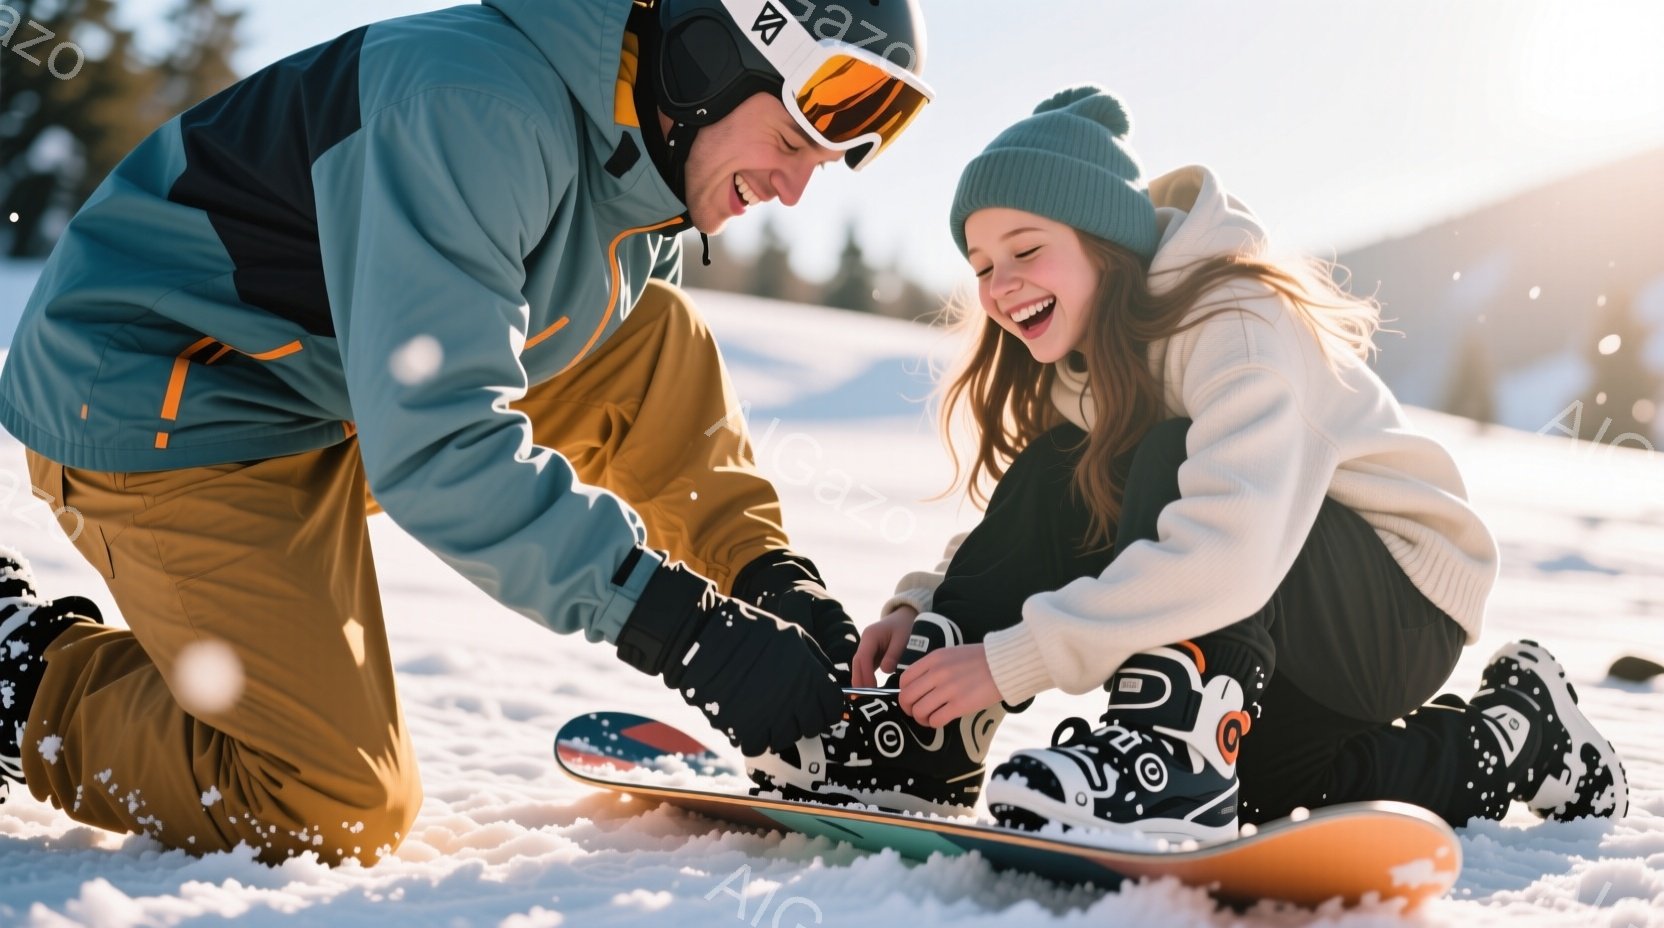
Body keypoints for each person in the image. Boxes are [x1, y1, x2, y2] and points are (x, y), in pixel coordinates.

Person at [0, 0, 934, 864]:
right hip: (165, 399)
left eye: (821, 161)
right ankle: (21, 673)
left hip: (318, 392)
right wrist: (679, 628)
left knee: (651, 335)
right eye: (788, 142)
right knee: (334, 804)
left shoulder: (636, 165)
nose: (794, 189)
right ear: (704, 64)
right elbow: (442, 438)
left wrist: (768, 585)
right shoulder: (474, 107)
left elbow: (645, 387)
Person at [809, 86, 1626, 838]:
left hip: (1398, 600)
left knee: (1165, 451)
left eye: (1025, 249)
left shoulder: (1235, 320)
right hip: (1272, 605)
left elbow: (1229, 549)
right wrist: (930, 611)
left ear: (1103, 241)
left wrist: (1010, 660)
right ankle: (1515, 734)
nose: (999, 285)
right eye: (982, 265)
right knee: (1274, 795)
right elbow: (1027, 529)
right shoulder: (1087, 365)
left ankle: (1171, 752)